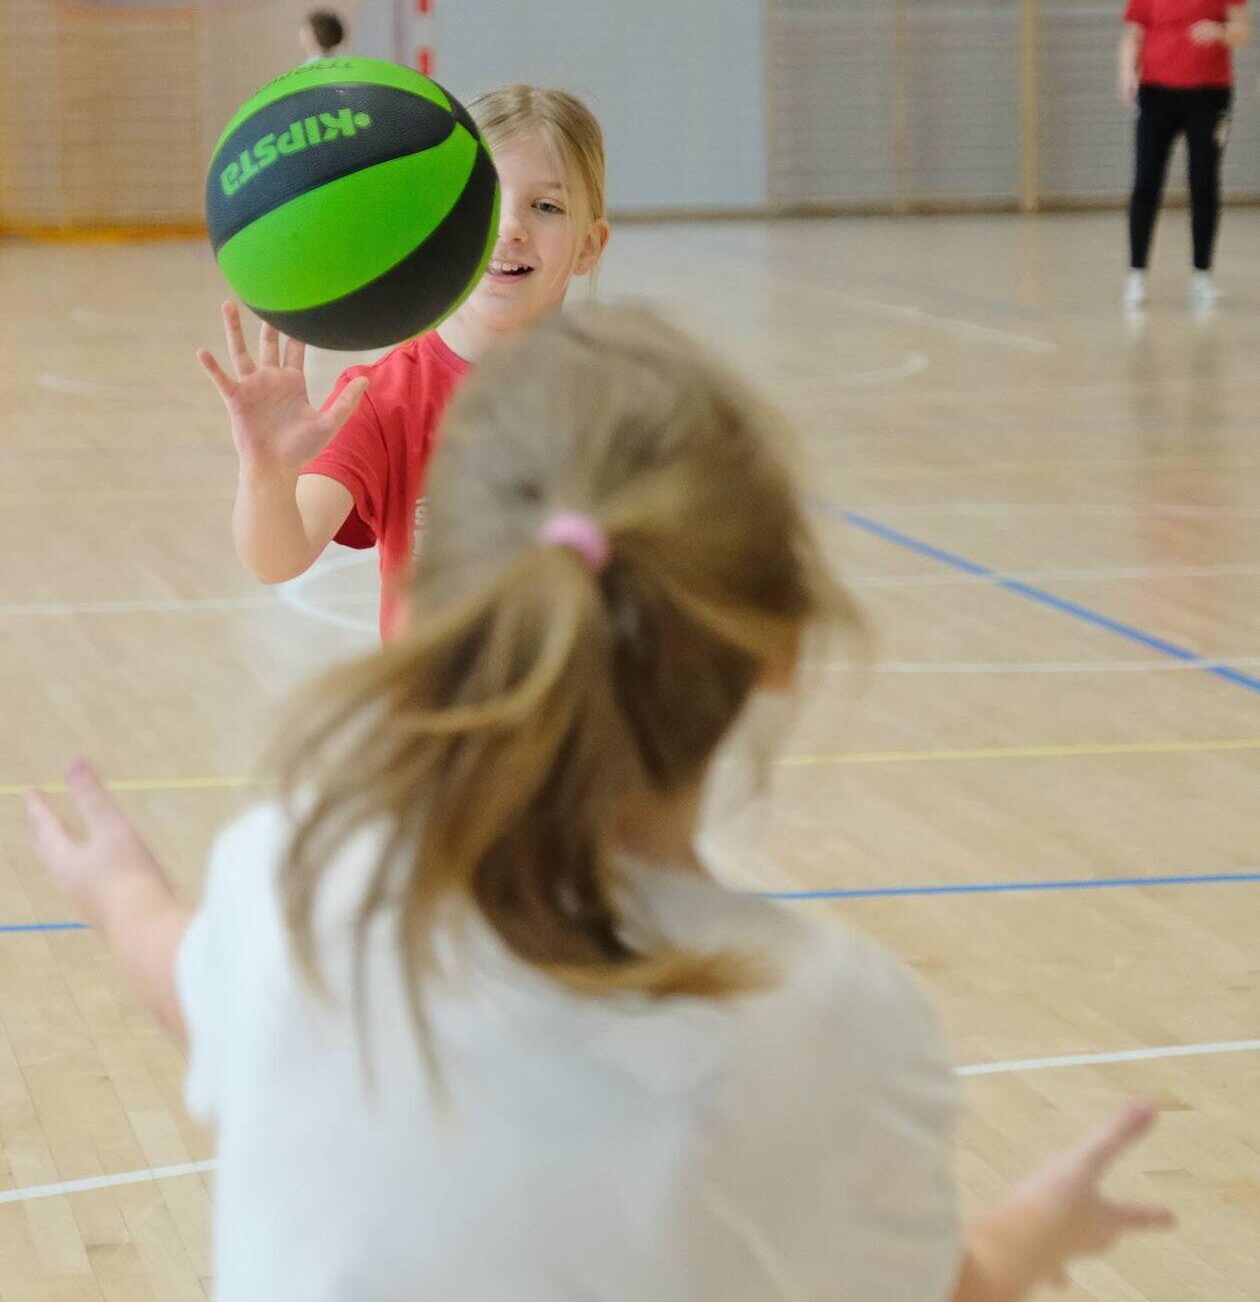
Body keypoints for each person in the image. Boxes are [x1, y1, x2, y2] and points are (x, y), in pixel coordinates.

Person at [30, 304, 1172, 1300]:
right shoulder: (831, 1020)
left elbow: (193, 985)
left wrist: (120, 890)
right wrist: (1034, 1233)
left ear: (447, 600)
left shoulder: (290, 884)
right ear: (779, 651)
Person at [197, 85, 610, 639]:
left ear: (589, 246)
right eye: (486, 198)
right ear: (442, 219)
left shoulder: (624, 395)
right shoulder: (382, 399)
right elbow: (278, 558)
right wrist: (266, 473)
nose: (511, 227)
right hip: (437, 695)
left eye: (547, 207)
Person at [1119, 0, 1250, 315]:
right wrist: (1126, 73)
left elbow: (1242, 29)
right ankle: (1137, 275)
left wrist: (1221, 31)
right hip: (1157, 94)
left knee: (1203, 182)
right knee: (1146, 182)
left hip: (1207, 95)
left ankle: (1202, 275)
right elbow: (1133, 34)